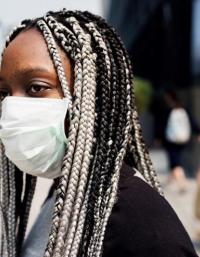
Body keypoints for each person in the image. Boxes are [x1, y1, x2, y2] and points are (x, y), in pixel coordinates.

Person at [0, 9, 198, 257]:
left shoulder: (143, 224)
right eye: (4, 92)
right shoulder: (65, 188)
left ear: (92, 99)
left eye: (36, 87)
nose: (11, 107)